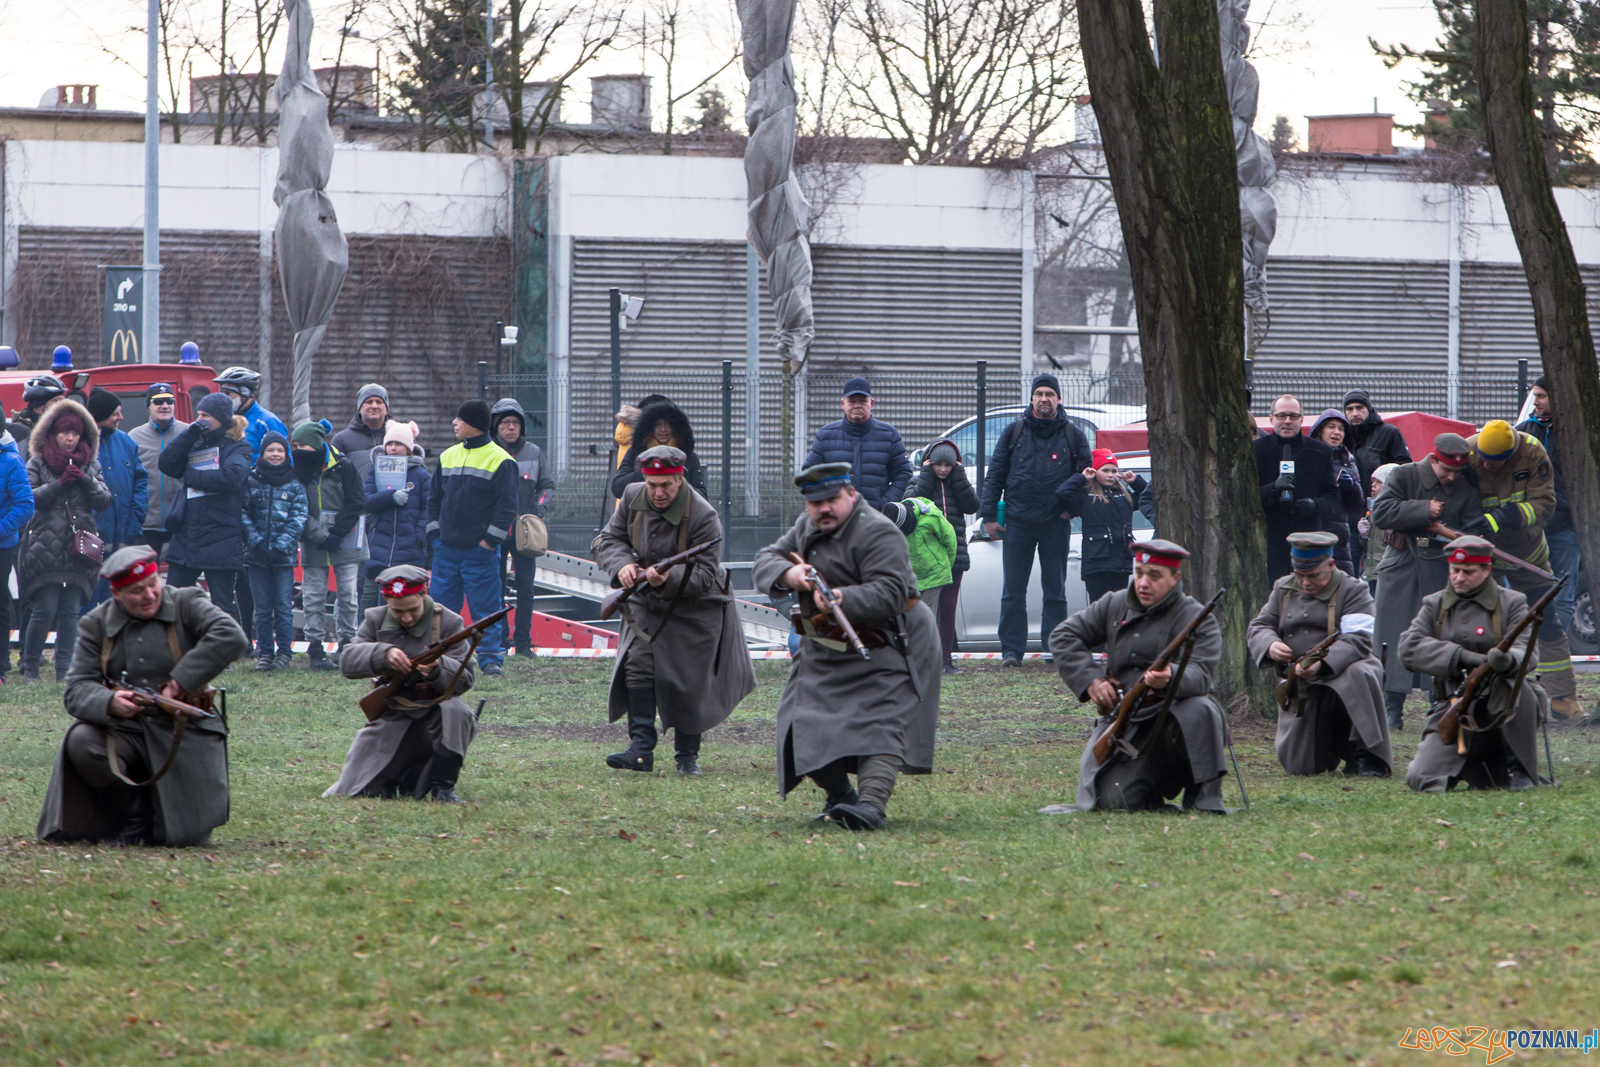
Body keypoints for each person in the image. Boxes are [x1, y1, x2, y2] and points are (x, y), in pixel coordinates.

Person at [751, 463, 941, 830]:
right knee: (800, 720)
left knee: (881, 722)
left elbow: (891, 592)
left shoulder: (879, 532)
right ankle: (840, 796)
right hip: (829, 639)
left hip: (895, 637)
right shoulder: (806, 527)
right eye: (815, 502)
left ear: (850, 495)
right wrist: (788, 574)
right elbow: (766, 559)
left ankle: (871, 806)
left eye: (832, 500)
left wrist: (841, 596)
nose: (824, 509)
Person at [36, 547, 248, 846]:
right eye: (137, 591)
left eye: (153, 585)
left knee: (185, 837)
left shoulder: (187, 602)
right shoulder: (96, 624)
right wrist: (110, 703)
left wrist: (181, 681)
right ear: (117, 593)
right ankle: (134, 814)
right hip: (127, 733)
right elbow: (77, 690)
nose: (149, 595)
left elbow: (231, 636)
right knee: (82, 741)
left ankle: (158, 813)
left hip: (184, 731)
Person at [594, 446, 756, 776]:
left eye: (665, 485)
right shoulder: (632, 495)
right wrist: (622, 564)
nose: (657, 492)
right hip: (645, 600)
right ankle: (640, 748)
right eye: (652, 484)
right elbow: (608, 539)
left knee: (688, 680)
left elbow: (705, 576)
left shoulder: (703, 515)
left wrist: (669, 577)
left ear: (679, 479)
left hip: (696, 606)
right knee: (637, 665)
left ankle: (687, 756)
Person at [1043, 539, 1229, 813]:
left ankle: (1204, 799)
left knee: (1201, 709)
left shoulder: (1198, 617)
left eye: (1154, 576)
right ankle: (1148, 792)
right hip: (1127, 722)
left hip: (1173, 718)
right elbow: (1063, 636)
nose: (1143, 583)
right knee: (1113, 803)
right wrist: (1092, 680)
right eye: (1139, 573)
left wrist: (1171, 676)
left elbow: (1201, 676)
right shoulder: (1114, 604)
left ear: (1175, 578)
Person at [1401, 535, 1544, 792]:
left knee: (1519, 685)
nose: (1458, 578)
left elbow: (1528, 653)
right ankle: (1472, 766)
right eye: (1455, 570)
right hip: (1454, 704)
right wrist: (1464, 657)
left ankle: (1520, 768)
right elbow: (1408, 647)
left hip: (1499, 706)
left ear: (1487, 569)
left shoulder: (1512, 602)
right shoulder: (1436, 604)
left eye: (1468, 571)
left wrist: (1508, 660)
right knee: (1421, 778)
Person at [325, 566, 480, 803]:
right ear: (386, 598)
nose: (406, 618)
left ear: (424, 593)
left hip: (434, 714)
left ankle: (443, 788)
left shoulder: (449, 622)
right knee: (359, 790)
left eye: (413, 610)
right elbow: (347, 661)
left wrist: (439, 668)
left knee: (457, 710)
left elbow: (466, 678)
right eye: (398, 611)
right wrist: (382, 653)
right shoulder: (375, 619)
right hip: (392, 716)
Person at [1246, 532, 1391, 777]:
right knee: (1302, 767)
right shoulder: (1283, 588)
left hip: (1344, 668)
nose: (1305, 583)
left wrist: (1321, 664)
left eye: (1313, 576)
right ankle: (1329, 749)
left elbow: (1358, 639)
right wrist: (1270, 645)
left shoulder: (1353, 590)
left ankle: (1367, 755)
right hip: (1301, 678)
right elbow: (1260, 626)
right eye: (1300, 575)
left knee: (1360, 672)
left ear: (1331, 565)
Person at [1460, 419, 1578, 720]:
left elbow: (1544, 503)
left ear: (1511, 455)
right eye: (1483, 459)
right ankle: (1472, 693)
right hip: (1482, 554)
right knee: (1475, 621)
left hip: (1526, 552)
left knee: (1546, 622)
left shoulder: (1532, 453)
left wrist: (1501, 517)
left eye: (1494, 461)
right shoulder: (1470, 451)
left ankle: (1563, 698)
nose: (1486, 465)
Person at [1369, 434, 1483, 732]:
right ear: (1433, 459)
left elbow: (1471, 529)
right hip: (1402, 567)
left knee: (1441, 638)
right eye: (1446, 469)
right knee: (1392, 637)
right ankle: (1392, 708)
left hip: (1442, 571)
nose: (1451, 477)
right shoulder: (1404, 475)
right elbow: (1380, 512)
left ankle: (1439, 702)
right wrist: (1422, 510)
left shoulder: (1465, 489)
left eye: (1457, 472)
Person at [980, 373, 1093, 666]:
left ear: (1058, 399)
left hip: (1056, 522)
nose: (1044, 399)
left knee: (1055, 590)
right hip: (1017, 522)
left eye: (1050, 394)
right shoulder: (1013, 432)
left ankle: (1053, 650)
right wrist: (990, 516)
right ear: (1031, 398)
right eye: (1039, 393)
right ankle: (1011, 653)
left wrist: (1071, 510)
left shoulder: (1073, 435)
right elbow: (995, 475)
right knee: (1012, 591)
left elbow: (1086, 477)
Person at [19, 399, 113, 682]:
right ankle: (31, 667)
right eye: (64, 432)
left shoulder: (91, 464)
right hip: (43, 545)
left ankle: (65, 670)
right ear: (52, 433)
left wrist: (85, 479)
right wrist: (58, 484)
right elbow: (29, 498)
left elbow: (105, 500)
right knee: (44, 609)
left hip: (79, 548)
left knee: (71, 611)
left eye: (75, 433)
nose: (70, 438)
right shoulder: (37, 462)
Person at [426, 400, 518, 677]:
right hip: (446, 550)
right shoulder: (447, 456)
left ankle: (490, 658)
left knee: (486, 607)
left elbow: (507, 508)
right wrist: (435, 537)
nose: (454, 422)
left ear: (474, 424)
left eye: (459, 418)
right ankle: (439, 654)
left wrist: (488, 544)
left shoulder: (502, 460)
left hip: (480, 552)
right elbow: (434, 499)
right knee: (440, 609)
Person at [1515, 378, 1584, 717]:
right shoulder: (1524, 430)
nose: (1536, 401)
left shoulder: (1577, 430)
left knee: (1563, 597)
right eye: (1535, 396)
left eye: (1541, 396)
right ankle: (1530, 667)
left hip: (1565, 529)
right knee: (1528, 596)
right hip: (1530, 530)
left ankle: (1555, 679)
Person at [158, 393, 251, 629]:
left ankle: (224, 652)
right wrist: (189, 435)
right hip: (188, 531)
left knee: (221, 603)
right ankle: (174, 649)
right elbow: (167, 464)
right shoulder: (196, 441)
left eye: (205, 415)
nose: (199, 419)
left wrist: (191, 477)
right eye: (198, 414)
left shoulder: (238, 446)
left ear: (221, 418)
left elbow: (231, 478)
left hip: (221, 534)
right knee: (174, 599)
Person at [290, 419, 369, 670]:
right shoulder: (295, 472)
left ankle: (347, 643)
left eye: (302, 445)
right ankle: (315, 647)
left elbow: (357, 501)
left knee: (348, 594)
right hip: (314, 541)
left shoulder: (343, 466)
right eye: (294, 444)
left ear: (316, 445)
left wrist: (338, 532)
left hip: (347, 539)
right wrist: (322, 535)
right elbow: (297, 510)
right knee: (313, 595)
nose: (297, 450)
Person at [907, 438, 979, 673]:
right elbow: (910, 503)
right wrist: (925, 475)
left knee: (948, 607)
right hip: (926, 558)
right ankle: (923, 659)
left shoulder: (957, 483)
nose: (943, 469)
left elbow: (972, 505)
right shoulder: (918, 481)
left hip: (953, 556)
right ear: (929, 463)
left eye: (948, 465)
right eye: (938, 464)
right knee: (926, 609)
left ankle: (944, 659)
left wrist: (959, 478)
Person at [489, 398, 555, 655]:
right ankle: (502, 641)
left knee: (526, 589)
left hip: (526, 535)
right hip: (494, 532)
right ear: (495, 426)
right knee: (495, 588)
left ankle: (524, 642)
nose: (511, 427)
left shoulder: (535, 453)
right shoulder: (487, 452)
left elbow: (547, 486)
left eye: (515, 422)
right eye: (505, 422)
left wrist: (537, 512)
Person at [1255, 395, 1342, 582]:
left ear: (1302, 419)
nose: (1287, 421)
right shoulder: (1255, 450)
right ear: (1271, 418)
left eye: (1293, 416)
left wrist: (1315, 505)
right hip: (1268, 541)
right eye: (1282, 415)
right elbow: (1244, 497)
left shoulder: (1320, 452)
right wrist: (1273, 488)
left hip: (1308, 541)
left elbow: (1333, 496)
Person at [241, 432, 308, 672]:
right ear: (263, 453)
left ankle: (284, 654)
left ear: (286, 453)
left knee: (283, 606)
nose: (276, 454)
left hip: (284, 557)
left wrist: (281, 546)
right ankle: (265, 653)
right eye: (271, 450)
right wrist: (256, 542)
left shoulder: (295, 483)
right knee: (262, 607)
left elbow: (299, 517)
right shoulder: (250, 480)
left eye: (280, 450)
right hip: (256, 555)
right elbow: (243, 513)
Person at [803, 378, 913, 510]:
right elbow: (809, 474)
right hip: (837, 518)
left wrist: (885, 504)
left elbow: (904, 474)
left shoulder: (889, 435)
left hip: (876, 518)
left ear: (871, 403)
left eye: (862, 401)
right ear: (843, 403)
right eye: (852, 401)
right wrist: (828, 503)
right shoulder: (825, 435)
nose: (857, 405)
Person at [360, 420, 432, 617]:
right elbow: (366, 501)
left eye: (398, 444)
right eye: (390, 444)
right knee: (372, 605)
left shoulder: (421, 475)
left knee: (403, 602)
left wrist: (418, 536)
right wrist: (390, 498)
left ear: (408, 448)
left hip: (409, 550)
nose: (393, 448)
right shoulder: (376, 471)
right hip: (378, 549)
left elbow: (429, 508)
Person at [1056, 447, 1147, 602]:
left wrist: (1135, 481)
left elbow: (1147, 496)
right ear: (1094, 471)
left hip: (1121, 563)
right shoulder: (1086, 496)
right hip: (1096, 563)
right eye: (1105, 470)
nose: (1110, 475)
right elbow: (1063, 492)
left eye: (1114, 471)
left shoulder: (1123, 496)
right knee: (1099, 609)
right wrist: (1082, 477)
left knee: (1119, 609)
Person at [87, 388, 150, 605]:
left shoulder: (126, 442)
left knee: (117, 602)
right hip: (90, 540)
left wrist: (136, 518)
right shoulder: (82, 443)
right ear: (101, 413)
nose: (121, 418)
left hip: (122, 536)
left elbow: (141, 481)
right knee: (87, 601)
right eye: (116, 413)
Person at [127, 382, 189, 559]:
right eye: (158, 401)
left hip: (180, 521)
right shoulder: (134, 437)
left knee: (180, 582)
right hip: (146, 524)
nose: (165, 406)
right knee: (143, 580)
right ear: (148, 407)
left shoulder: (188, 433)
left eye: (169, 401)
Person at [611, 399, 709, 500]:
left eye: (668, 423)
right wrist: (648, 470)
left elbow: (702, 497)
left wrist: (678, 481)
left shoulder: (688, 456)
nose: (663, 429)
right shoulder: (636, 452)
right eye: (658, 424)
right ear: (650, 428)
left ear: (675, 427)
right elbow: (618, 488)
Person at [0, 408, 35, 684]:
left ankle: (0, 665)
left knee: (1, 604)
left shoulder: (11, 460)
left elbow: (25, 506)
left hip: (2, 546)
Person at [1309, 409, 1364, 576]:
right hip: (1311, 531)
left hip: (1338, 537)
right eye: (1331, 427)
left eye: (1341, 428)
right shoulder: (1308, 455)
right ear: (1320, 430)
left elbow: (1356, 505)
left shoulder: (1348, 461)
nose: (1336, 432)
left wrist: (1351, 488)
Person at [883, 497, 957, 615]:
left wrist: (945, 566)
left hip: (934, 575)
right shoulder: (891, 530)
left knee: (926, 616)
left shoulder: (930, 517)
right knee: (911, 617)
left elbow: (950, 540)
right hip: (911, 579)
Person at [211, 366, 288, 462]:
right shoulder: (224, 419)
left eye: (228, 393)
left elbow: (286, 459)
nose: (224, 398)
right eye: (221, 393)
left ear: (245, 393)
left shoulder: (268, 421)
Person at [1342, 389, 1413, 487]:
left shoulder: (1388, 432)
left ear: (1369, 408)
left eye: (1359, 408)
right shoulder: (1341, 435)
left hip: (1379, 499)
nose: (1354, 413)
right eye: (1349, 409)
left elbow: (1404, 469)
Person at [329, 383, 392, 483]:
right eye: (369, 402)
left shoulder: (401, 438)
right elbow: (331, 480)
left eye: (379, 402)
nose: (374, 406)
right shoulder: (342, 440)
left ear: (386, 409)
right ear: (360, 408)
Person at [1359, 463, 1400, 591]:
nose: (1373, 485)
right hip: (1372, 570)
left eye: (1379, 482)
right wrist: (1364, 535)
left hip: (1387, 571)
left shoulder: (1395, 510)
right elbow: (1370, 545)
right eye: (1373, 481)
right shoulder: (1373, 508)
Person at [11, 372, 67, 461]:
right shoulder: (19, 433)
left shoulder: (63, 429)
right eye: (56, 401)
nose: (62, 405)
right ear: (39, 406)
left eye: (63, 401)